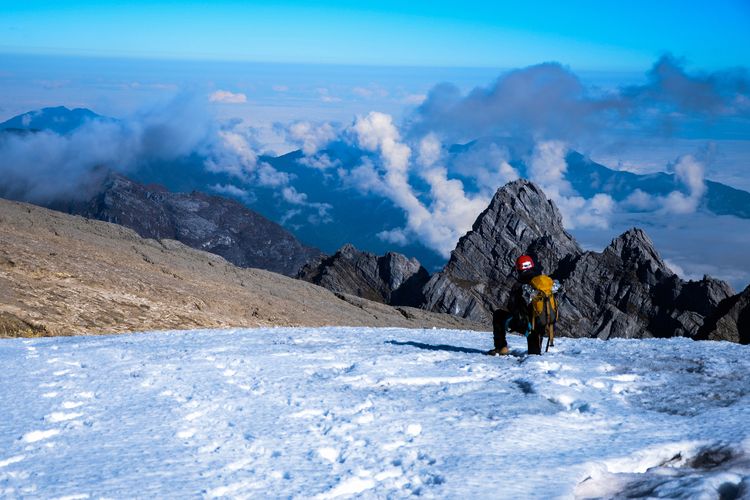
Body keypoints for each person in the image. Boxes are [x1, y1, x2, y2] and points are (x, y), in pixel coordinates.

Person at [487, 254, 557, 356]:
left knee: (498, 315)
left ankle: (501, 347)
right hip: (545, 323)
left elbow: (511, 307)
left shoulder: (519, 285)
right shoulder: (543, 284)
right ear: (532, 266)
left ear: (518, 269)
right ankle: (536, 352)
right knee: (534, 355)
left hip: (527, 325)